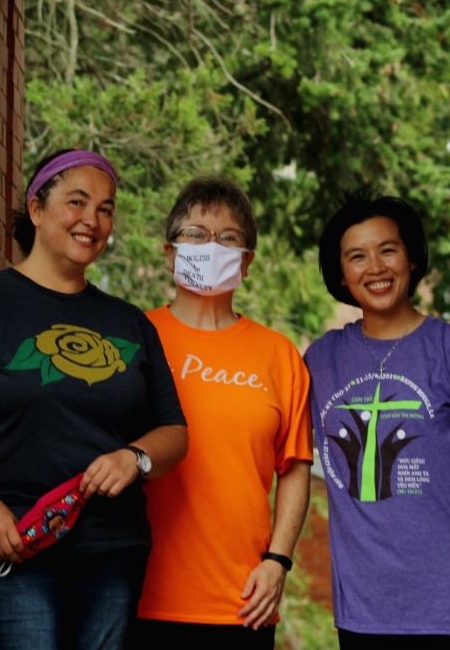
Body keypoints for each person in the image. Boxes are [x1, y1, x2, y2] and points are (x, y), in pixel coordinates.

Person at [0, 149, 189, 649]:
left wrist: (133, 458)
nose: (92, 220)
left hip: (111, 552)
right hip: (9, 547)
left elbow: (173, 432)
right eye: (77, 202)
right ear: (36, 208)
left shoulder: (130, 323)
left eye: (105, 208)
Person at [304, 191, 450, 649]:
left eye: (387, 250)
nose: (374, 268)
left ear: (412, 258)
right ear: (341, 274)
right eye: (357, 256)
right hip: (363, 608)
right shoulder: (321, 360)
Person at [133, 177, 312, 649]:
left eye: (228, 238)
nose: (210, 246)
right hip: (133, 595)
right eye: (195, 233)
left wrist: (278, 561)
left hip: (243, 604)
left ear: (247, 261)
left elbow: (295, 468)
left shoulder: (279, 356)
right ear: (170, 253)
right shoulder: (133, 338)